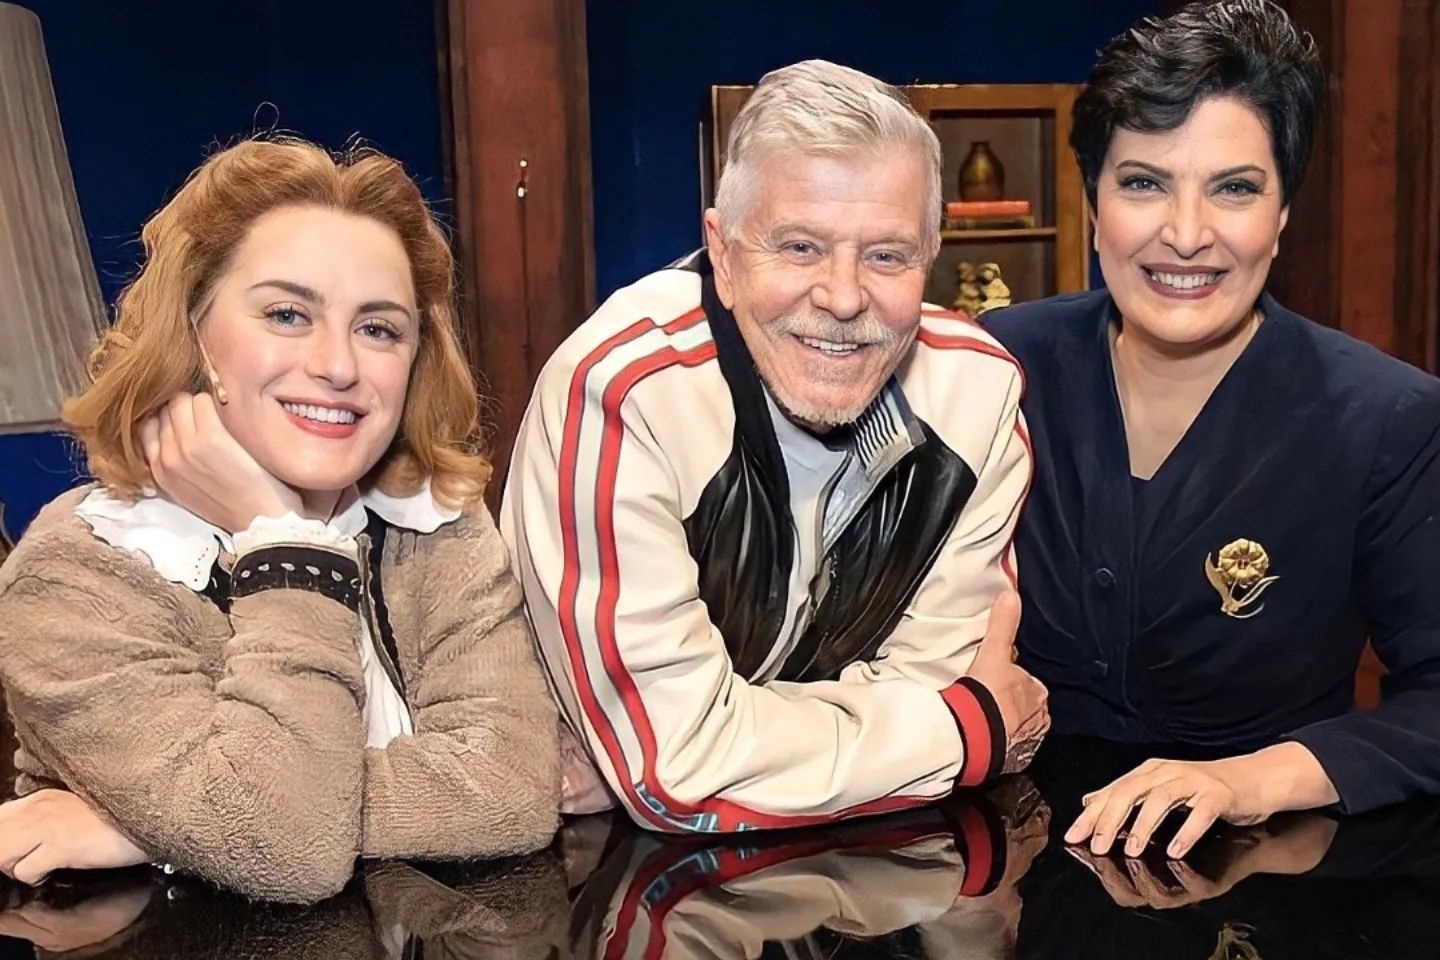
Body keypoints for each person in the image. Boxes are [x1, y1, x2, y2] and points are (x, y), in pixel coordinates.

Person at [0, 137, 561, 902]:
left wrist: (159, 828)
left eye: (379, 328)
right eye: (288, 314)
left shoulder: (433, 525)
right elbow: (287, 848)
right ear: (193, 333)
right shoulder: (73, 575)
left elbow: (515, 790)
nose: (339, 366)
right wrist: (284, 541)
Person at [502, 59, 1049, 833]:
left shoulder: (978, 391)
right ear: (722, 256)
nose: (843, 297)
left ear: (932, 255)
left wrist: (712, 743)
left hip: (887, 872)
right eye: (799, 247)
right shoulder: (625, 393)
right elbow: (678, 771)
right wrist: (965, 733)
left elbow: (933, 681)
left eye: (887, 255)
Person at [984, 0, 1440, 859]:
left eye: (1234, 188)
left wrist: (1251, 779)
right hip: (1003, 873)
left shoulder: (1385, 418)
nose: (1185, 235)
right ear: (1093, 203)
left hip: (1261, 877)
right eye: (1143, 183)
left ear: (1282, 214)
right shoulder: (993, 371)